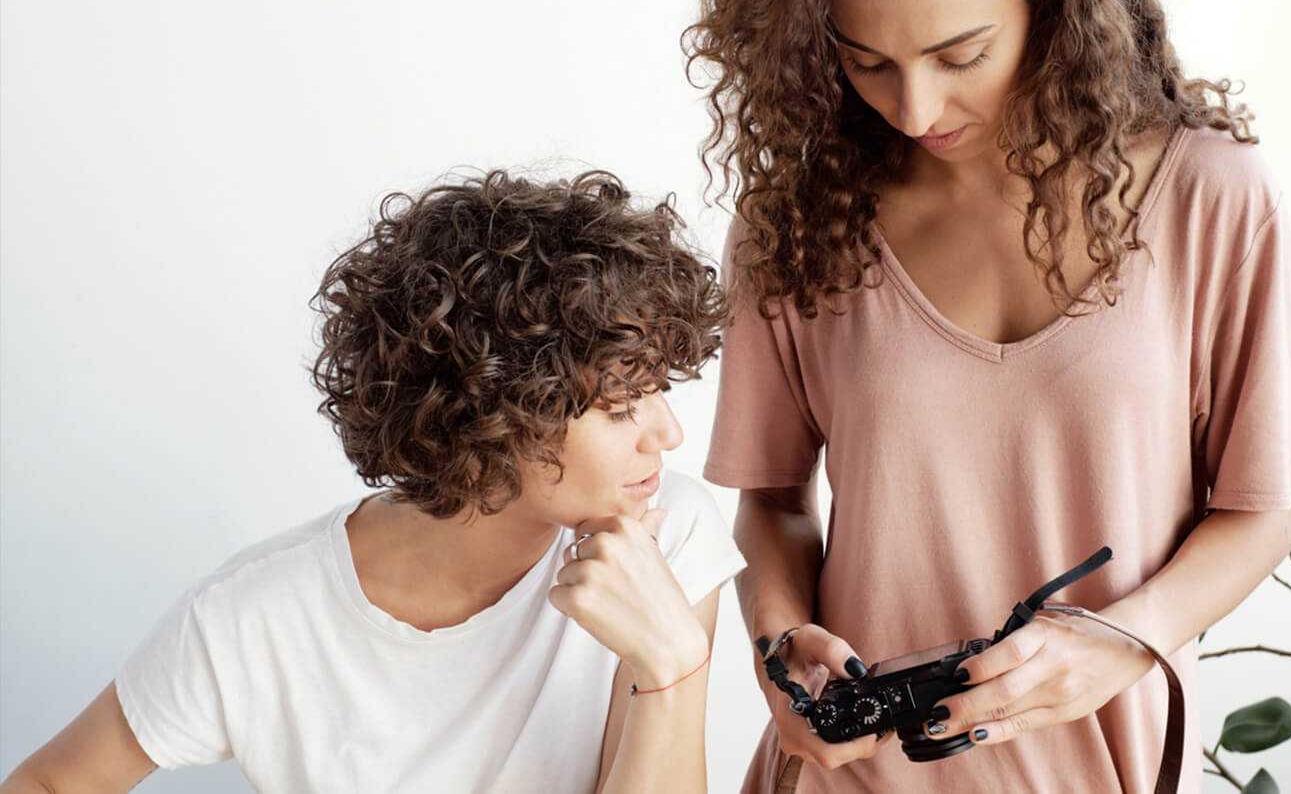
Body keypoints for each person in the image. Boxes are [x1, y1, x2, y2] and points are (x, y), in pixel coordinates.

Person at [683, 0, 1291, 792]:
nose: (915, 109)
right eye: (867, 62)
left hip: (1099, 770)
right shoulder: (800, 224)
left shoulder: (1211, 198)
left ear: (1049, 0)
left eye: (959, 54)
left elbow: (1258, 510)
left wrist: (1121, 645)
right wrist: (782, 658)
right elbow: (772, 501)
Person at [3, 170, 746, 794]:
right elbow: (49, 784)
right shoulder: (256, 618)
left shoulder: (664, 531)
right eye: (620, 407)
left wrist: (672, 664)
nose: (668, 435)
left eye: (659, 390)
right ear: (491, 409)